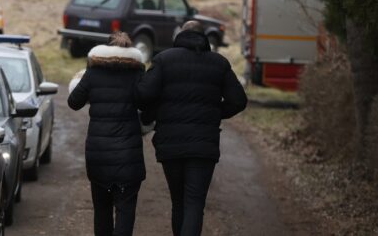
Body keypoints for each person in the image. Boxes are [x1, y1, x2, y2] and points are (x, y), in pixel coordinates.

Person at [138, 21, 247, 236]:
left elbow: (143, 95)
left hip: (170, 143)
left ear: (180, 35)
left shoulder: (163, 60)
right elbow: (238, 100)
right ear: (204, 37)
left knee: (178, 202)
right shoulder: (219, 63)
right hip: (203, 146)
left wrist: (160, 112)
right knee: (195, 203)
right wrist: (214, 112)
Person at [67, 31, 146, 236]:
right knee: (125, 210)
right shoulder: (137, 74)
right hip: (128, 154)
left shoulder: (93, 73)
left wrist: (83, 78)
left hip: (98, 153)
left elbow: (74, 102)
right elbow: (148, 104)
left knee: (102, 210)